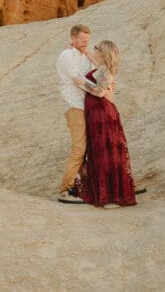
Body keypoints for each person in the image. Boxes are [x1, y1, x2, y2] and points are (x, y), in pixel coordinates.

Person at [75, 40, 138, 208]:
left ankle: (113, 196)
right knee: (98, 151)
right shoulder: (100, 67)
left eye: (96, 48)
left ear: (103, 53)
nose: (93, 50)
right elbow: (90, 57)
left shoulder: (105, 71)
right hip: (96, 114)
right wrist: (76, 46)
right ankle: (106, 193)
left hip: (103, 114)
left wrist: (82, 83)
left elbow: (100, 91)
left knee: (106, 152)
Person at [55, 24, 109, 203]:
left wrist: (87, 53)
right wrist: (100, 90)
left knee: (92, 147)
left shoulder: (85, 56)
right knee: (79, 147)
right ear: (73, 38)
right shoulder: (66, 55)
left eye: (88, 40)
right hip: (74, 105)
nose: (86, 43)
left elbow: (99, 67)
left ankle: (88, 186)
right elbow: (78, 80)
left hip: (88, 106)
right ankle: (65, 188)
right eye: (82, 40)